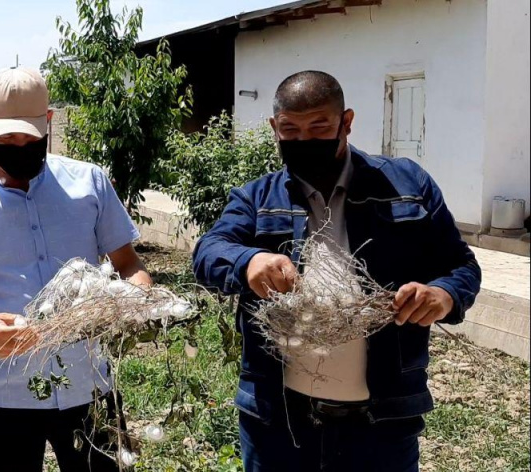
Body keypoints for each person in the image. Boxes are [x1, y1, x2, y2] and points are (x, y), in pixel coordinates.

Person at [192, 70, 481, 472]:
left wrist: (445, 293)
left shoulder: (407, 185)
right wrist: (248, 262)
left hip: (381, 424)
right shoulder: (256, 197)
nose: (304, 140)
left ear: (346, 122)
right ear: (274, 127)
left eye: (319, 126)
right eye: (290, 129)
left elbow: (461, 265)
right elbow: (207, 253)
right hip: (279, 423)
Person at [0, 67, 152, 471]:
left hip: (89, 384)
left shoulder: (90, 183)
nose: (19, 145)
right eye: (6, 138)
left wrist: (139, 300)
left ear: (47, 121)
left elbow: (127, 264)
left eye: (29, 136)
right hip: (2, 393)